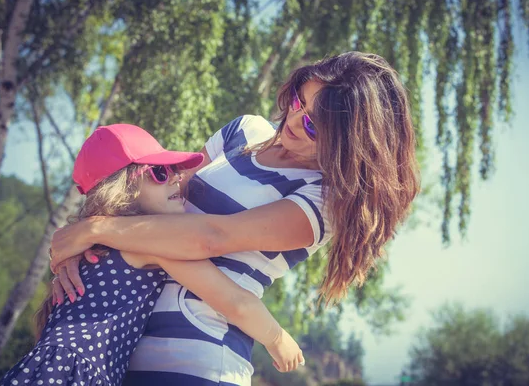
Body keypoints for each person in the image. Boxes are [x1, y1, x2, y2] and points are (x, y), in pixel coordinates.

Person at [50, 51, 421, 385]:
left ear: (347, 140)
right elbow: (156, 199)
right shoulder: (242, 131)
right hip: (118, 341)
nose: (294, 119)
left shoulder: (322, 201)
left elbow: (210, 236)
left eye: (313, 125)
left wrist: (94, 230)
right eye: (298, 100)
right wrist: (86, 258)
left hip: (199, 361)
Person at [0, 124, 303, 386]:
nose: (177, 178)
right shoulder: (145, 245)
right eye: (159, 172)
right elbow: (234, 301)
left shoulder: (94, 244)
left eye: (173, 169)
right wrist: (277, 339)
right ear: (121, 189)